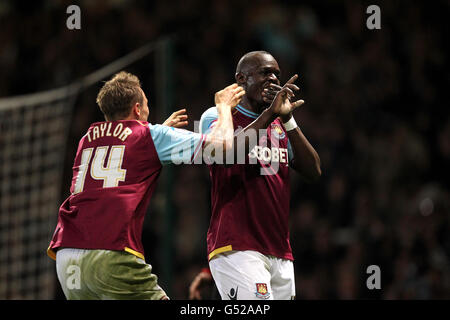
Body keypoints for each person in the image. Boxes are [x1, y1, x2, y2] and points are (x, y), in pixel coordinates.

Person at [46, 71, 245, 300]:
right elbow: (221, 147)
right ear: (138, 109)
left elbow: (122, 155)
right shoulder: (149, 135)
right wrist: (223, 107)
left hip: (67, 257)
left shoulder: (86, 140)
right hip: (109, 254)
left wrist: (157, 133)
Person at [191, 51, 321, 300]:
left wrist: (289, 120)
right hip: (236, 247)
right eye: (264, 72)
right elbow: (225, 155)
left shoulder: (279, 124)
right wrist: (270, 114)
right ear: (241, 78)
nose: (273, 79)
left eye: (277, 74)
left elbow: (314, 171)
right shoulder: (217, 116)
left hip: (280, 251)